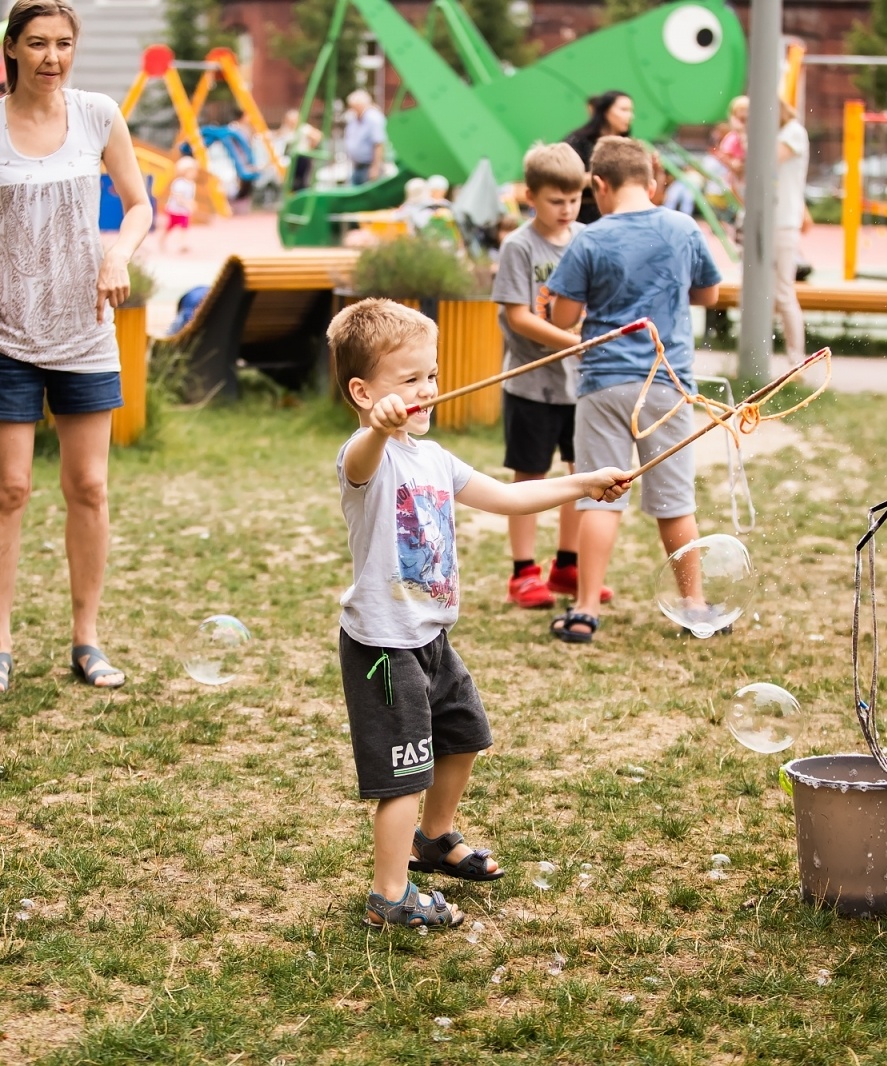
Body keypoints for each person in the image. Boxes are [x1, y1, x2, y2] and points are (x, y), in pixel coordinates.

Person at [329, 297, 627, 928]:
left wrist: (582, 483)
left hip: (431, 635)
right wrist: (378, 426)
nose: (426, 390)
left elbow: (512, 497)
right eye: (408, 380)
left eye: (429, 376)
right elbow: (360, 457)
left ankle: (432, 840)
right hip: (384, 646)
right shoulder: (369, 454)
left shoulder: (435, 459)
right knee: (403, 773)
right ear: (363, 392)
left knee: (464, 736)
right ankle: (389, 895)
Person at [0, 0, 153, 696]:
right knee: (9, 489)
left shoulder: (98, 115)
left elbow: (140, 203)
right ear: (13, 50)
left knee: (89, 487)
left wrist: (119, 254)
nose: (52, 57)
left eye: (63, 43)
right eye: (37, 44)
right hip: (5, 331)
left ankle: (86, 639)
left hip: (85, 331)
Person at [544, 136, 722, 643]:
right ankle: (695, 605)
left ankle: (583, 612)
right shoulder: (682, 227)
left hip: (602, 384)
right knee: (675, 501)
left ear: (599, 184)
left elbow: (565, 317)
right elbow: (708, 293)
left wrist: (555, 305)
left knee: (599, 498)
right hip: (666, 386)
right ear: (651, 180)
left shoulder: (590, 239)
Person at [493, 143, 595, 609]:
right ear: (531, 196)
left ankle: (567, 568)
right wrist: (572, 341)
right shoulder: (519, 246)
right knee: (530, 478)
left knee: (582, 477)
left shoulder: (587, 239)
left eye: (574, 200)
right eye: (557, 201)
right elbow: (518, 316)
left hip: (582, 387)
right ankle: (523, 572)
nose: (567, 210)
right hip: (531, 384)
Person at [774, 97, 810, 367]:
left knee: (783, 291)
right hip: (768, 220)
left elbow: (771, 160)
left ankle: (796, 357)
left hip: (782, 221)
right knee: (765, 291)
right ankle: (761, 353)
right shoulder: (778, 133)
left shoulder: (792, 132)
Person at [562, 90, 633, 224]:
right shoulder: (578, 140)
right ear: (606, 111)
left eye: (630, 111)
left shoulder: (628, 145)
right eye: (624, 110)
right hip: (583, 214)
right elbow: (563, 178)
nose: (630, 116)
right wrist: (596, 177)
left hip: (620, 214)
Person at [343, 90, 386, 187]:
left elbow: (378, 143)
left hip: (369, 167)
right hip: (357, 167)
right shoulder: (354, 118)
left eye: (354, 107)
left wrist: (375, 167)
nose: (352, 109)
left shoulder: (373, 118)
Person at [160, 155, 197, 253]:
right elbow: (177, 197)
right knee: (170, 226)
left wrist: (191, 204)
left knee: (184, 227)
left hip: (184, 211)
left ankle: (182, 244)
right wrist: (187, 203)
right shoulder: (179, 183)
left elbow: (190, 197)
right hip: (175, 210)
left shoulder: (192, 184)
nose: (193, 174)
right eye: (190, 171)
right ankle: (162, 240)